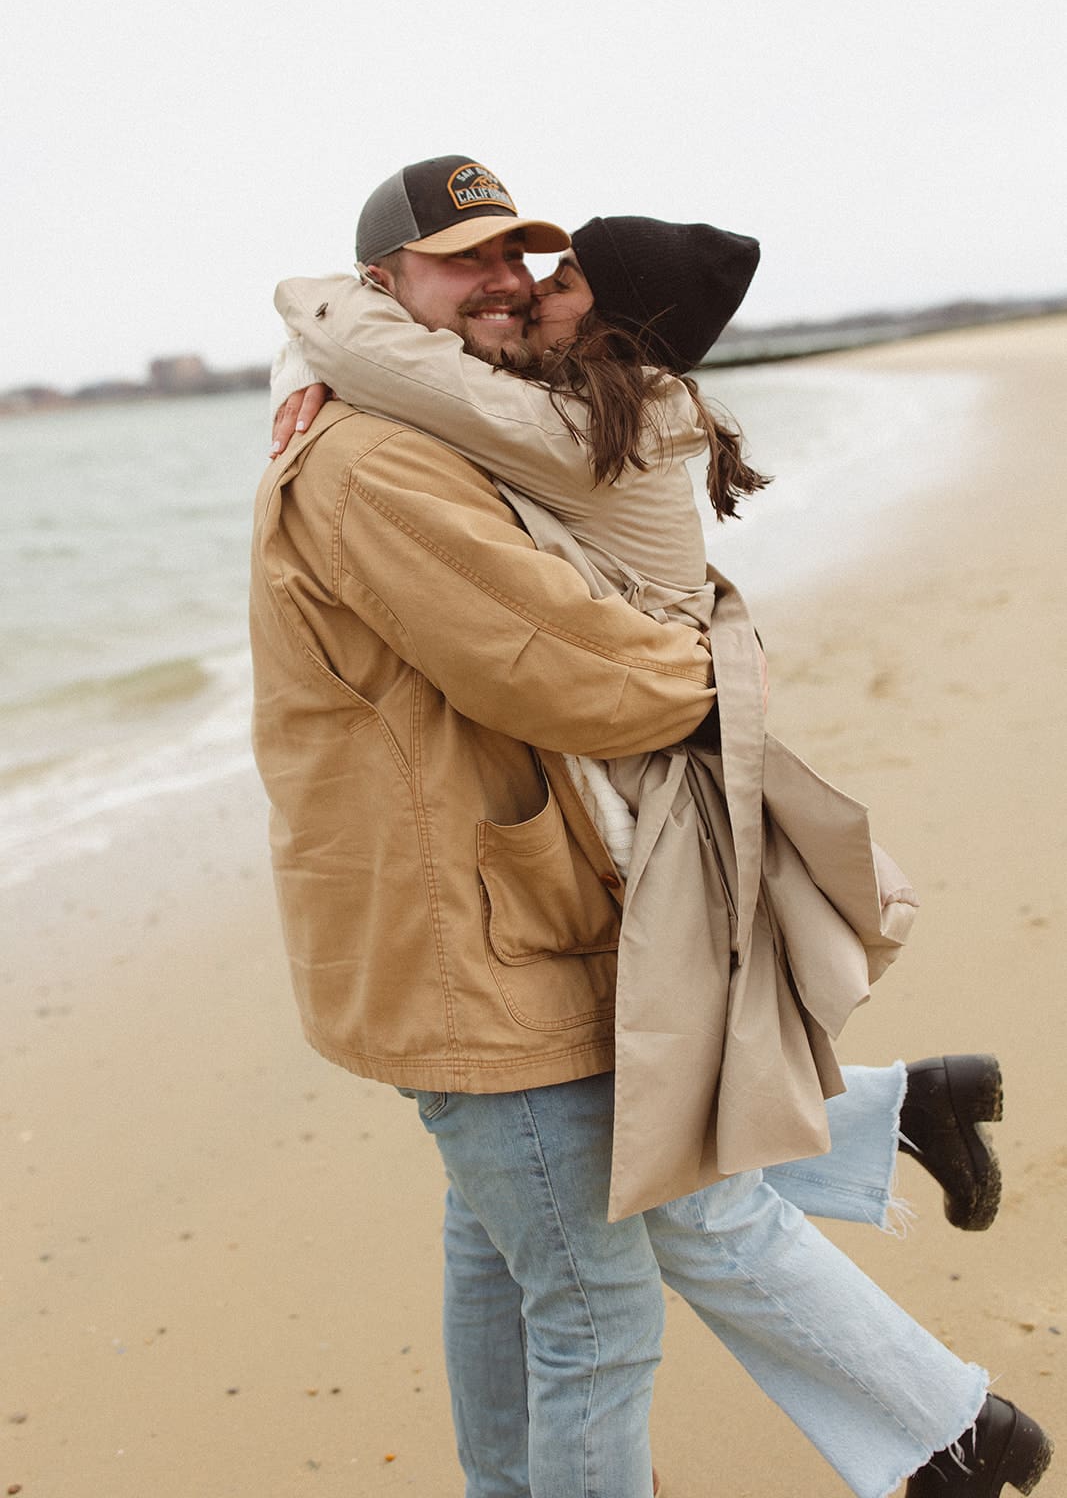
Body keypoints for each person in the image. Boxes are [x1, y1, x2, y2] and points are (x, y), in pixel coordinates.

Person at [250, 155, 1052, 1497]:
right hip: (471, 922)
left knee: (568, 1249)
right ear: (385, 287)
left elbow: (560, 651)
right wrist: (720, 667)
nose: (512, 284)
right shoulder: (384, 458)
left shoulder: (486, 420)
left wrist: (304, 363)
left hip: (524, 897)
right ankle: (948, 1401)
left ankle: (948, 1411)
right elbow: (566, 670)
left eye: (532, 258)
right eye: (474, 262)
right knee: (602, 1265)